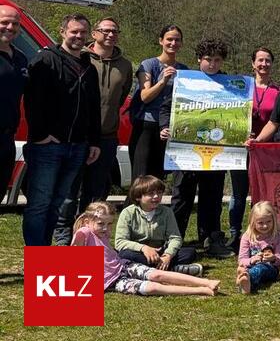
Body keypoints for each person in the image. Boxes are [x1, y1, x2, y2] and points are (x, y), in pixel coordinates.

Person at [22, 13, 101, 247]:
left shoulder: (89, 68)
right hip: (48, 146)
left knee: (58, 203)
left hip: (77, 146)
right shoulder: (45, 60)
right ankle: (36, 253)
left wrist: (93, 140)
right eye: (74, 31)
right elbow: (32, 101)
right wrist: (41, 135)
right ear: (63, 32)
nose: (78, 36)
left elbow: (94, 107)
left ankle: (46, 253)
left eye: (83, 32)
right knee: (39, 203)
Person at [54, 17, 133, 246]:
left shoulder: (125, 65)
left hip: (107, 137)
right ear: (95, 34)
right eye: (105, 30)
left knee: (95, 194)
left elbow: (120, 98)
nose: (110, 35)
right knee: (69, 192)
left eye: (115, 31)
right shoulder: (82, 58)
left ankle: (90, 241)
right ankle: (63, 239)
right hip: (77, 136)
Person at [160, 39, 233, 258]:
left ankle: (211, 238)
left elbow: (238, 117)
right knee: (182, 196)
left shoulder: (230, 85)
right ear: (199, 60)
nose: (212, 64)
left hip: (216, 153)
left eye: (217, 60)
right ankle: (174, 240)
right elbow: (166, 108)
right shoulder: (184, 81)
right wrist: (164, 127)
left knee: (212, 197)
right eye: (208, 60)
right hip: (185, 152)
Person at [73, 201, 219, 297]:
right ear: (87, 222)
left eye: (109, 224)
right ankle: (201, 290)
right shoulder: (85, 232)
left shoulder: (101, 233)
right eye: (100, 223)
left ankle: (206, 282)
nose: (106, 228)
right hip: (111, 281)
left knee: (158, 275)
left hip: (123, 266)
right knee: (151, 288)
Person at [232, 47, 280, 249]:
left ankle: (262, 235)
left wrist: (260, 140)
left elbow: (278, 121)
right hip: (241, 147)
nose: (264, 64)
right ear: (253, 64)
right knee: (238, 193)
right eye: (260, 60)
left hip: (266, 150)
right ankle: (235, 234)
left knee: (261, 194)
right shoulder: (240, 87)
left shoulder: (279, 92)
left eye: (268, 60)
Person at [131, 25, 188, 180]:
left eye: (177, 40)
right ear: (161, 41)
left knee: (157, 178)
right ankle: (134, 205)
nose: (173, 43)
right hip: (146, 125)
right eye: (169, 39)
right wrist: (163, 81)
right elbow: (145, 97)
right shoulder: (148, 64)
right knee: (141, 177)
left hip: (168, 129)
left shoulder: (183, 69)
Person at [114, 175, 202, 274]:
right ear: (138, 197)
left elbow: (175, 238)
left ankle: (149, 268)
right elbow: (120, 242)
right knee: (124, 254)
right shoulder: (128, 213)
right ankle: (170, 269)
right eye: (151, 194)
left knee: (190, 253)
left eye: (159, 193)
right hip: (139, 252)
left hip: (161, 252)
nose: (156, 196)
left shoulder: (167, 212)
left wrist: (168, 255)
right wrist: (144, 248)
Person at [0, 4, 27, 214]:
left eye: (15, 24)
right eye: (4, 22)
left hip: (7, 138)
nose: (10, 27)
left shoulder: (20, 58)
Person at [236, 201, 280, 295]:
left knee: (261, 269)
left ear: (274, 220)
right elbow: (241, 260)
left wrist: (273, 258)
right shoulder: (247, 236)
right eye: (260, 223)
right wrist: (252, 260)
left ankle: (246, 279)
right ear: (253, 222)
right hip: (250, 265)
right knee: (244, 267)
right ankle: (245, 278)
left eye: (268, 221)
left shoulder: (279, 235)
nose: (265, 226)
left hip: (270, 268)